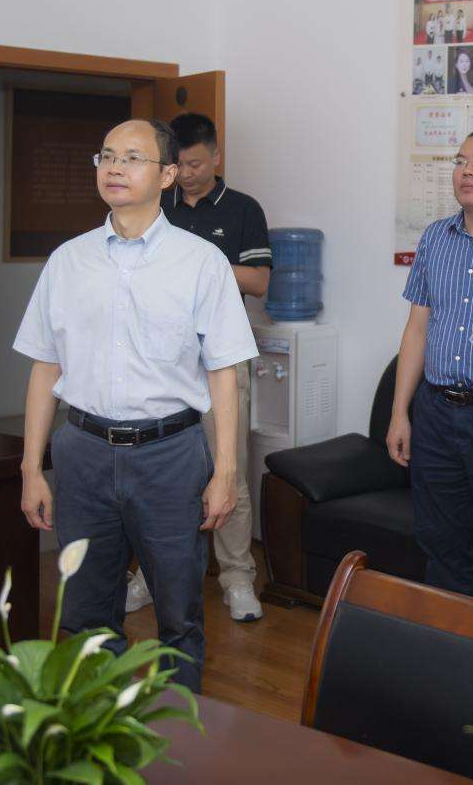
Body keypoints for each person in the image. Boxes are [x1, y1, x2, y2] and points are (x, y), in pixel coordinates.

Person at [15, 119, 257, 693]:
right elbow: (45, 366)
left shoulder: (201, 262)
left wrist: (225, 471)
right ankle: (100, 733)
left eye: (132, 158)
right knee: (84, 614)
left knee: (179, 616)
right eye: (106, 156)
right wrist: (30, 468)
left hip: (169, 454)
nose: (115, 168)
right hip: (82, 452)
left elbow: (223, 371)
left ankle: (178, 736)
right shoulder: (67, 260)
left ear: (167, 175)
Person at [144, 111, 273, 623]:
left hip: (221, 355)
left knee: (228, 469)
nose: (188, 173)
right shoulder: (157, 206)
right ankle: (149, 576)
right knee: (159, 472)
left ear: (217, 157)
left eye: (197, 164)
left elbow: (258, 281)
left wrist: (198, 262)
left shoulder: (243, 208)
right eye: (180, 165)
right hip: (161, 359)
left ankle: (237, 576)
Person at [387, 129, 473, 596]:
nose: (466, 170)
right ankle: (450, 634)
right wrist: (400, 412)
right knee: (440, 540)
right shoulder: (435, 237)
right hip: (436, 411)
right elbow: (417, 329)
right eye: (461, 161)